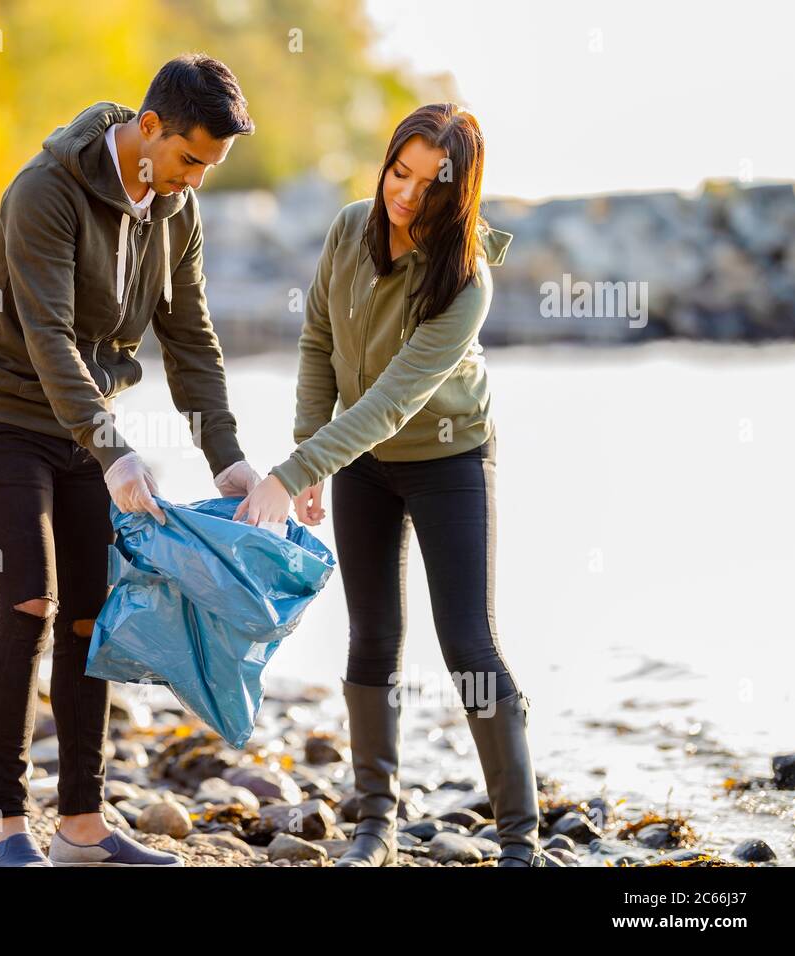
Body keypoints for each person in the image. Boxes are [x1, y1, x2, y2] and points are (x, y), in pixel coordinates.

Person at [0, 54, 263, 866]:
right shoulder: (44, 192)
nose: (196, 180)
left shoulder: (175, 210)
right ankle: (5, 827)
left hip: (90, 431)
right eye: (191, 159)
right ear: (149, 127)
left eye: (210, 169)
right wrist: (117, 453)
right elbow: (50, 338)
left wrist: (225, 457)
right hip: (6, 419)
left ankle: (82, 828)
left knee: (92, 624)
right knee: (28, 607)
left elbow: (191, 338)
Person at [237, 104, 554, 867]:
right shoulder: (350, 227)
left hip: (450, 460)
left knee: (470, 647)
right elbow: (318, 336)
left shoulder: (466, 280)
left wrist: (295, 473)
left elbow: (391, 402)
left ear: (459, 193)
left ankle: (521, 839)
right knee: (372, 637)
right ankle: (375, 826)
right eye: (398, 172)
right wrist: (311, 450)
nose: (406, 195)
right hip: (366, 464)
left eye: (429, 185)